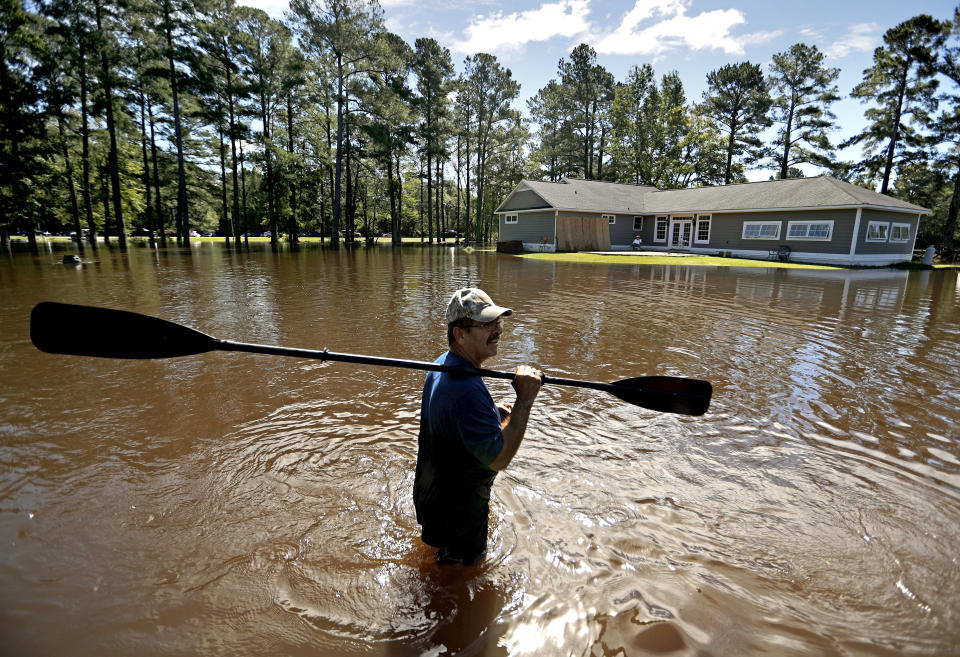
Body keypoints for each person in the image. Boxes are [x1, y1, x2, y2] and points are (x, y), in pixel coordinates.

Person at [413, 288, 543, 566]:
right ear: (460, 334)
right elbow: (500, 458)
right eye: (486, 325)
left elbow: (450, 418)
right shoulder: (466, 390)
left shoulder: (442, 365)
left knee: (442, 565)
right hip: (460, 513)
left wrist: (489, 414)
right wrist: (525, 400)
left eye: (497, 323)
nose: (497, 331)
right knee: (461, 583)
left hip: (432, 497)